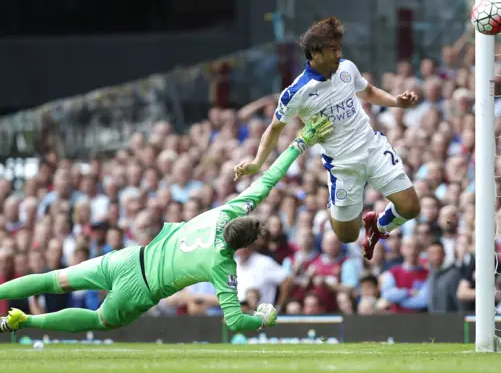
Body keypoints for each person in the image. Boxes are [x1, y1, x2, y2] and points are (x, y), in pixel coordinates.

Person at [0, 116, 333, 335]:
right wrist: (264, 317)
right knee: (99, 320)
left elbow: (269, 178)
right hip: (140, 290)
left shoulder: (223, 212)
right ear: (244, 246)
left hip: (128, 258)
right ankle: (27, 321)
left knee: (53, 280)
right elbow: (234, 321)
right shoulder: (223, 264)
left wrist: (301, 140)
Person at [234, 16, 421, 260]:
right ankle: (334, 203)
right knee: (347, 236)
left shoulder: (347, 68)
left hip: (372, 147)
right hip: (343, 165)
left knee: (411, 207)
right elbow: (274, 128)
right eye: (333, 50)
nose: (339, 54)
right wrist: (257, 162)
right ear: (315, 54)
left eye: (339, 48)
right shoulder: (296, 93)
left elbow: (370, 92)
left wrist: (396, 102)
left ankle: (379, 227)